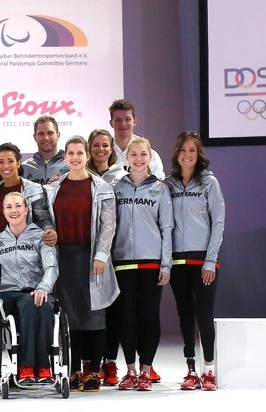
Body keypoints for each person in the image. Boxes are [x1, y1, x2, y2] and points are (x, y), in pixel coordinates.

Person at [45, 136, 119, 392]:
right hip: (63, 258)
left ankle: (94, 371)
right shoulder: (54, 187)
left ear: (87, 156)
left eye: (80, 153)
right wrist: (50, 231)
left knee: (94, 315)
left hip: (90, 257)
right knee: (70, 317)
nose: (75, 157)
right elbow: (46, 217)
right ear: (65, 157)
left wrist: (101, 255)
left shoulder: (102, 188)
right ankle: (74, 369)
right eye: (71, 153)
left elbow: (108, 225)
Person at [112, 137, 173, 392]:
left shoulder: (160, 189)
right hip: (123, 261)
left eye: (143, 155)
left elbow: (167, 228)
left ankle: (146, 371)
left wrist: (166, 265)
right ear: (126, 157)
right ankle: (130, 371)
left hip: (151, 262)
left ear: (150, 158)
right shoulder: (117, 188)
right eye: (134, 154)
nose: (138, 159)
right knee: (126, 316)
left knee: (149, 315)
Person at [165, 132, 225, 391]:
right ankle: (191, 369)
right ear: (176, 154)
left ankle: (209, 369)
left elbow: (218, 222)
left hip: (203, 261)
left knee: (204, 314)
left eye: (192, 150)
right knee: (185, 314)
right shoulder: (169, 184)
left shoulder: (209, 182)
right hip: (178, 262)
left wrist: (210, 261)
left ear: (198, 154)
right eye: (183, 150)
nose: (187, 155)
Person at [0, 192, 58, 384]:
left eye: (18, 206)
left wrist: (43, 288)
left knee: (42, 304)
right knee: (30, 304)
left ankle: (43, 366)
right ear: (3, 211)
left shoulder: (41, 237)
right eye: (9, 207)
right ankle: (27, 366)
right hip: (9, 294)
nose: (14, 210)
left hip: (37, 290)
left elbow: (51, 266)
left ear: (26, 210)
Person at [86, 128, 126, 386]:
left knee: (114, 310)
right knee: (91, 310)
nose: (101, 149)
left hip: (117, 252)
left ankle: (110, 361)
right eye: (96, 145)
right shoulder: (79, 175)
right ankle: (90, 361)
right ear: (89, 149)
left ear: (112, 149)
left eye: (105, 145)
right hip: (89, 253)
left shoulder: (121, 176)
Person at [0, 142, 56, 245]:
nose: (6, 166)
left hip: (27, 249)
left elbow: (43, 219)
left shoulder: (35, 190)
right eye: (1, 162)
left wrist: (49, 230)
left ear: (18, 163)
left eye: (10, 161)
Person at [109, 99, 164, 179]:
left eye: (127, 119)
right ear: (111, 123)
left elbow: (159, 183)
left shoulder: (150, 155)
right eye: (118, 120)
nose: (123, 124)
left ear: (134, 121)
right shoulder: (104, 153)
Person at [21, 115, 69, 185]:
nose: (46, 138)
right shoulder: (24, 167)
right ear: (35, 137)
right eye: (41, 134)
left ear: (58, 135)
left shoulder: (70, 165)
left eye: (50, 133)